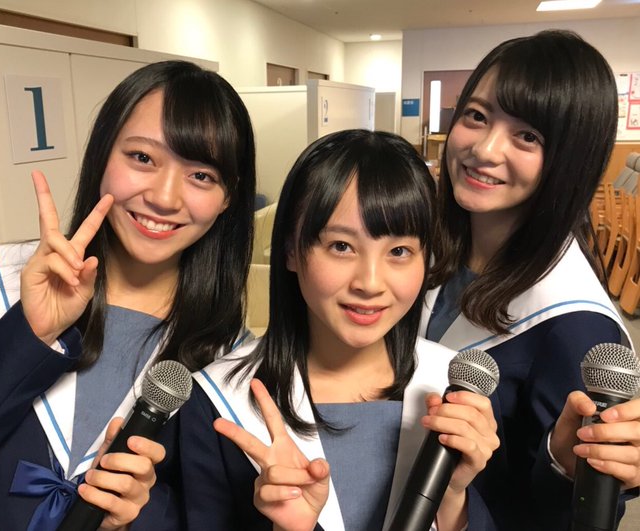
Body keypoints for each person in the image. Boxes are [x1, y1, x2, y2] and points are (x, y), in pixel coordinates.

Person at [0, 60, 256, 530]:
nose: (164, 198)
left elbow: (206, 516)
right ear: (102, 155)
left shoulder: (230, 361)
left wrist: (137, 517)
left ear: (228, 197)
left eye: (201, 175)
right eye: (142, 157)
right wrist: (29, 335)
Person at [176, 129, 500, 530]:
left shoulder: (458, 395)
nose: (370, 282)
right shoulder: (216, 403)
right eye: (341, 246)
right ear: (291, 250)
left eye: (399, 251)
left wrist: (451, 499)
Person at [422, 29, 640, 530]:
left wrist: (566, 465)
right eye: (476, 116)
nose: (484, 149)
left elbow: (572, 518)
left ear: (570, 160)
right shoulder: (429, 252)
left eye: (528, 136)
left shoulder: (577, 330)